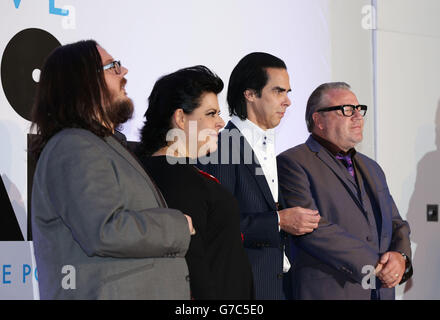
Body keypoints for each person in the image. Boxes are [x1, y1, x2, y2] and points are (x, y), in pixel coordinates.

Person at [30, 40, 194, 299]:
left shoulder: (101, 145)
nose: (124, 72)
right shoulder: (73, 146)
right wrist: (177, 226)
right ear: (82, 82)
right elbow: (104, 230)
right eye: (112, 67)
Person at [197, 52, 320, 300]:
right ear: (250, 94)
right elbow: (215, 225)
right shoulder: (222, 147)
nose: (288, 102)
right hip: (242, 287)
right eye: (278, 92)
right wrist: (279, 221)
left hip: (278, 285)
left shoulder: (271, 146)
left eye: (288, 92)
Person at [277, 82, 413, 300]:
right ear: (318, 119)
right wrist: (376, 265)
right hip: (331, 291)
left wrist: (401, 256)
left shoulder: (372, 167)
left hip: (379, 292)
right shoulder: (292, 162)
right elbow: (312, 229)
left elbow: (396, 223)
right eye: (347, 110)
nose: (358, 116)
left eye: (359, 110)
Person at [136, 65, 254, 299]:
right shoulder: (176, 178)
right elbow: (191, 268)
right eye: (211, 114)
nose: (220, 123)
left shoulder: (170, 171)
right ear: (180, 118)